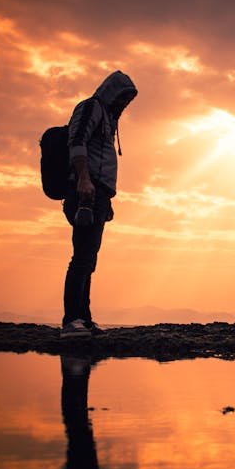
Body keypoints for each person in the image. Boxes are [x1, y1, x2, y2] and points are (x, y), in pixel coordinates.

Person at [60, 70, 137, 338]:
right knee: (81, 258)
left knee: (89, 259)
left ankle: (84, 319)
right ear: (111, 91)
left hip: (98, 195)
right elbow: (77, 142)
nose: (125, 104)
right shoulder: (91, 107)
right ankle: (71, 321)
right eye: (123, 98)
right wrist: (83, 180)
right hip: (85, 192)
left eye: (128, 101)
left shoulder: (109, 118)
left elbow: (100, 158)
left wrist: (107, 200)